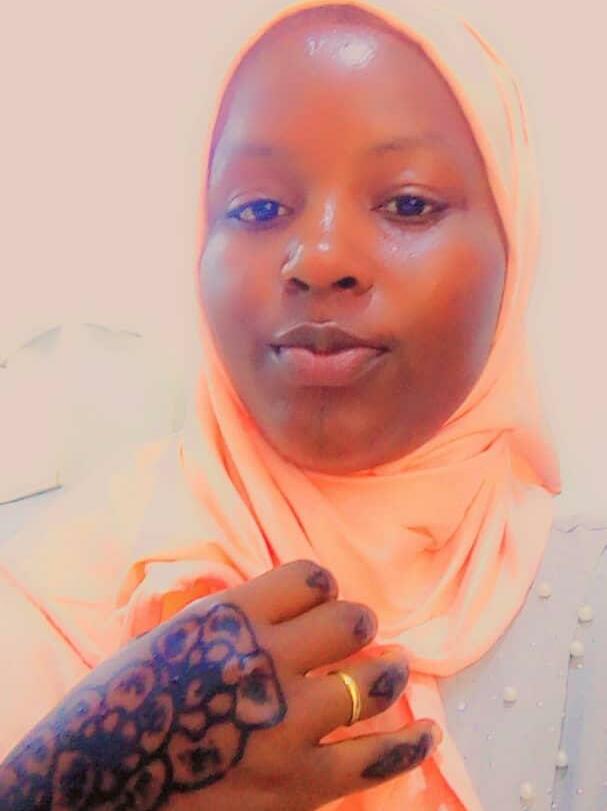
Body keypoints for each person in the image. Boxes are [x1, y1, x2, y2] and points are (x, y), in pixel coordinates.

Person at [0, 0, 563, 808]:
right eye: (258, 208)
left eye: (407, 204)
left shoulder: (578, 589)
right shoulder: (50, 592)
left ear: (515, 242)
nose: (321, 257)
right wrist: (67, 786)